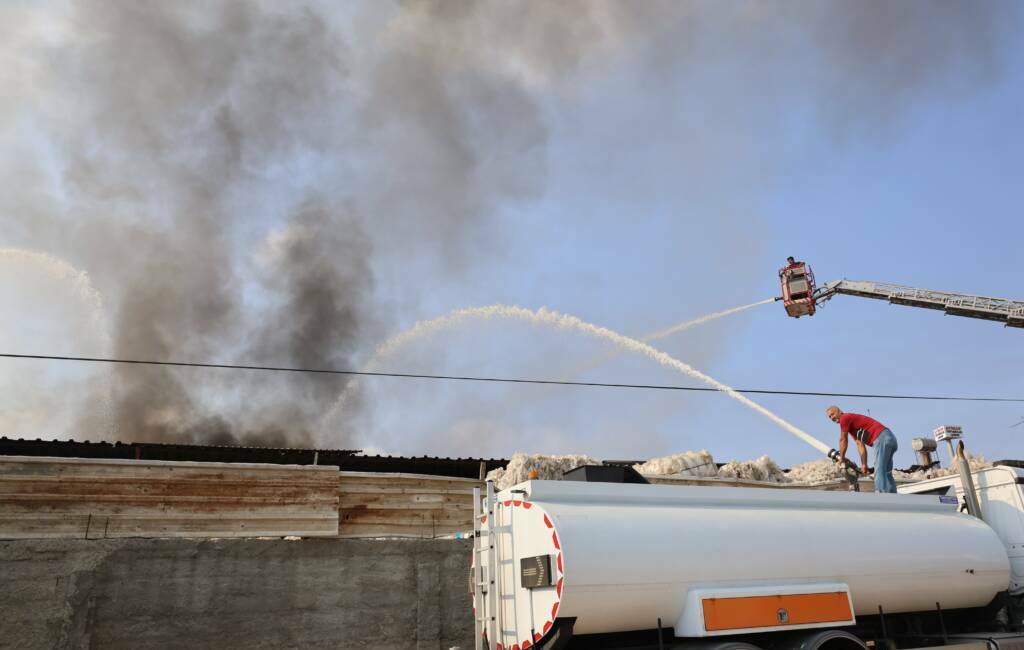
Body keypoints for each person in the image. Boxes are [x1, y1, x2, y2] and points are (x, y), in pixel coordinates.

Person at [826, 406, 899, 493]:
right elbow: (860, 445)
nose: (832, 418)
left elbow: (843, 440)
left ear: (839, 412)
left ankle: (880, 494)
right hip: (891, 438)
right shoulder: (852, 428)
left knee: (879, 469)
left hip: (881, 438)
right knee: (886, 471)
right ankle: (892, 495)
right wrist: (864, 464)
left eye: (832, 414)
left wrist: (841, 458)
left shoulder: (845, 418)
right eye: (829, 417)